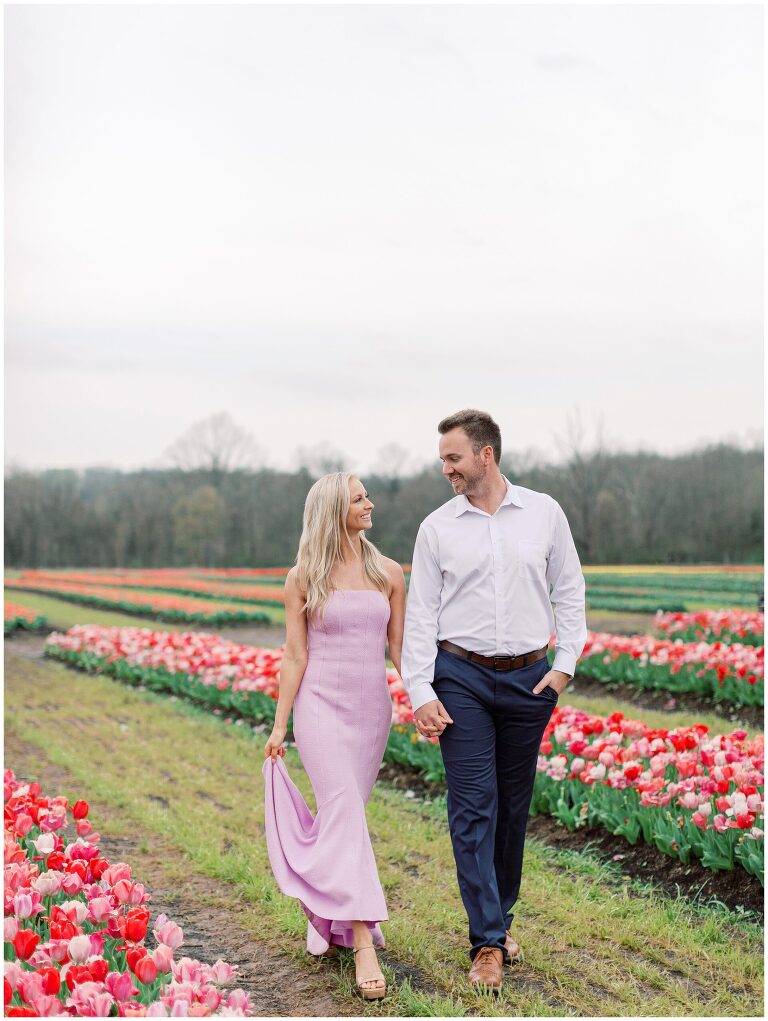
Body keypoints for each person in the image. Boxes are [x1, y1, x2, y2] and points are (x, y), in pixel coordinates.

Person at [401, 409, 586, 992]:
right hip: (462, 678)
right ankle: (486, 942)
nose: (446, 469)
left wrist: (562, 669)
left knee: (511, 809)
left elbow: (571, 592)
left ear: (486, 454)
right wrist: (421, 690)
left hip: (530, 680)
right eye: (442, 460)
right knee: (473, 807)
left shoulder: (544, 514)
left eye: (453, 458)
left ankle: (500, 923)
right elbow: (421, 616)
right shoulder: (436, 529)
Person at [262, 472, 406, 1001]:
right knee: (344, 809)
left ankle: (326, 913)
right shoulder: (302, 578)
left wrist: (430, 696)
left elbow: (399, 651)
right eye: (359, 498)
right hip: (318, 709)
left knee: (346, 818)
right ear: (332, 510)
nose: (371, 503)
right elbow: (295, 655)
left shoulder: (388, 572)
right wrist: (280, 726)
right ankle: (364, 940)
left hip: (370, 711)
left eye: (367, 494)